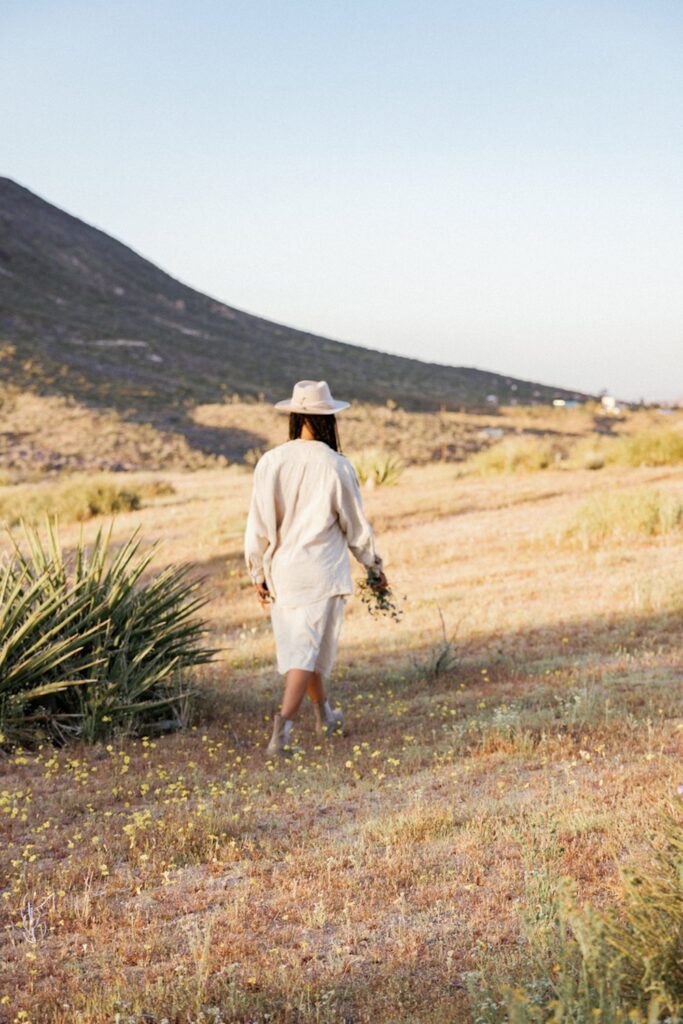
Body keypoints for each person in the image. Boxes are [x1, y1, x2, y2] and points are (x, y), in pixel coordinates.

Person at [244, 379, 387, 755]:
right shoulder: (336, 465)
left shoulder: (270, 461)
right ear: (328, 420)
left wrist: (257, 573)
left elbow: (257, 525)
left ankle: (325, 715)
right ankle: (283, 729)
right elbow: (355, 526)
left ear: (294, 415)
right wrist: (374, 566)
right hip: (321, 571)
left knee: (307, 649)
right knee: (304, 654)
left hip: (283, 571)